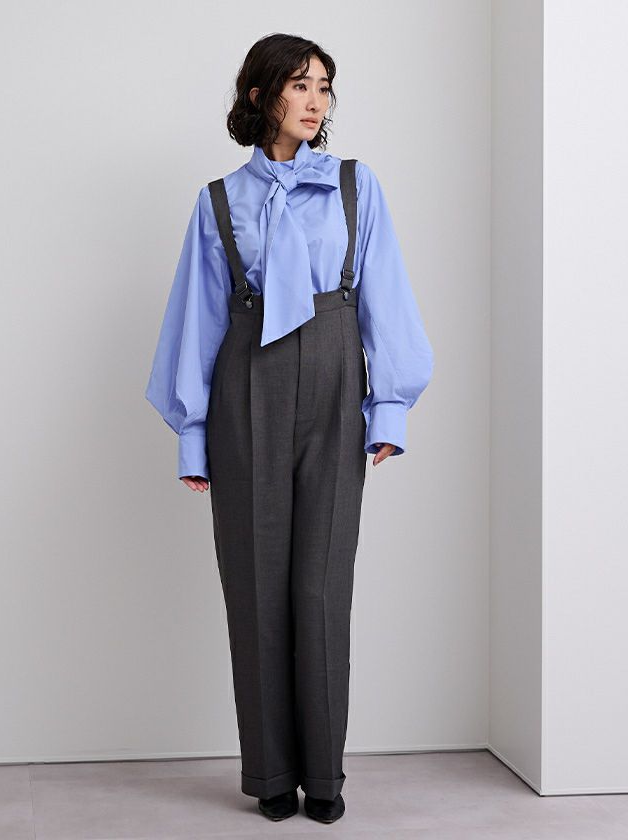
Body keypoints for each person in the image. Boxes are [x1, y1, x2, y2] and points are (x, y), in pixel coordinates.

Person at [145, 33, 434, 825]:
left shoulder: (354, 186)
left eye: (325, 87)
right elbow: (197, 323)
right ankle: (271, 774)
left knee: (320, 586)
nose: (316, 100)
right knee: (255, 584)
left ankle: (325, 778)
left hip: (337, 381)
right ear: (259, 95)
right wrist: (193, 435)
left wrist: (390, 407)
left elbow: (385, 294)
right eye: (300, 84)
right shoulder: (218, 201)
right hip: (246, 386)